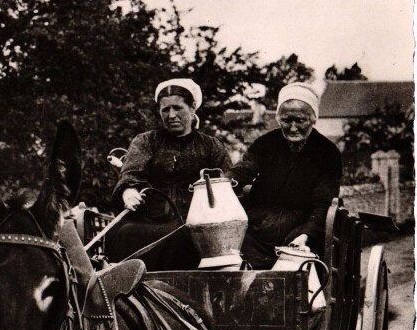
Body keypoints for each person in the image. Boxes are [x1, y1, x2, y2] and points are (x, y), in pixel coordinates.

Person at [106, 78, 231, 270]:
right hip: (148, 219)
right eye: (165, 109)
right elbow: (131, 172)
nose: (171, 115)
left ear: (192, 108)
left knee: (187, 238)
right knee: (124, 233)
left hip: (193, 220)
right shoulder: (146, 141)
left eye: (177, 108)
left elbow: (225, 185)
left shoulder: (211, 146)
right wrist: (128, 192)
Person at [229, 82, 342, 269]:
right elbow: (246, 167)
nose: (293, 127)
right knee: (235, 248)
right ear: (279, 119)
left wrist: (306, 235)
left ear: (313, 119)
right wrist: (226, 181)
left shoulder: (328, 153)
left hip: (303, 225)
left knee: (294, 258)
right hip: (260, 222)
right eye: (287, 120)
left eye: (300, 120)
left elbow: (324, 203)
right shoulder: (266, 143)